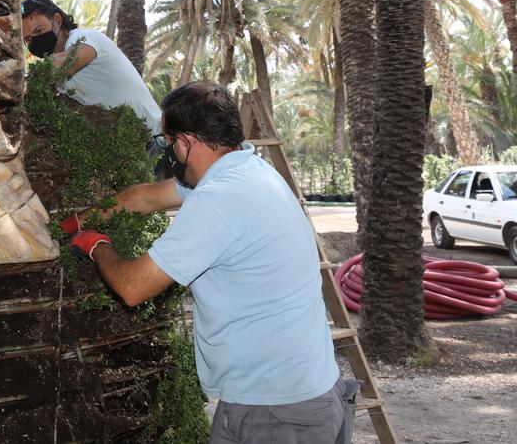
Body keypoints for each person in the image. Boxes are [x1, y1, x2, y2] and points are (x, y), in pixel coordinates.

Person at [61, 81, 360, 444]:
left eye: (168, 143)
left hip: (276, 411)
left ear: (185, 142)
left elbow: (133, 286)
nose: (167, 152)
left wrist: (96, 244)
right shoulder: (249, 172)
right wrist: (83, 217)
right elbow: (145, 198)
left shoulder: (219, 200)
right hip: (292, 393)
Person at [20, 0, 161, 136]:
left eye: (38, 31)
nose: (35, 41)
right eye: (28, 39)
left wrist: (22, 80)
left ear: (57, 20)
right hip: (130, 143)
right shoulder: (57, 78)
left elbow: (70, 60)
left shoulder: (83, 37)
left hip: (156, 139)